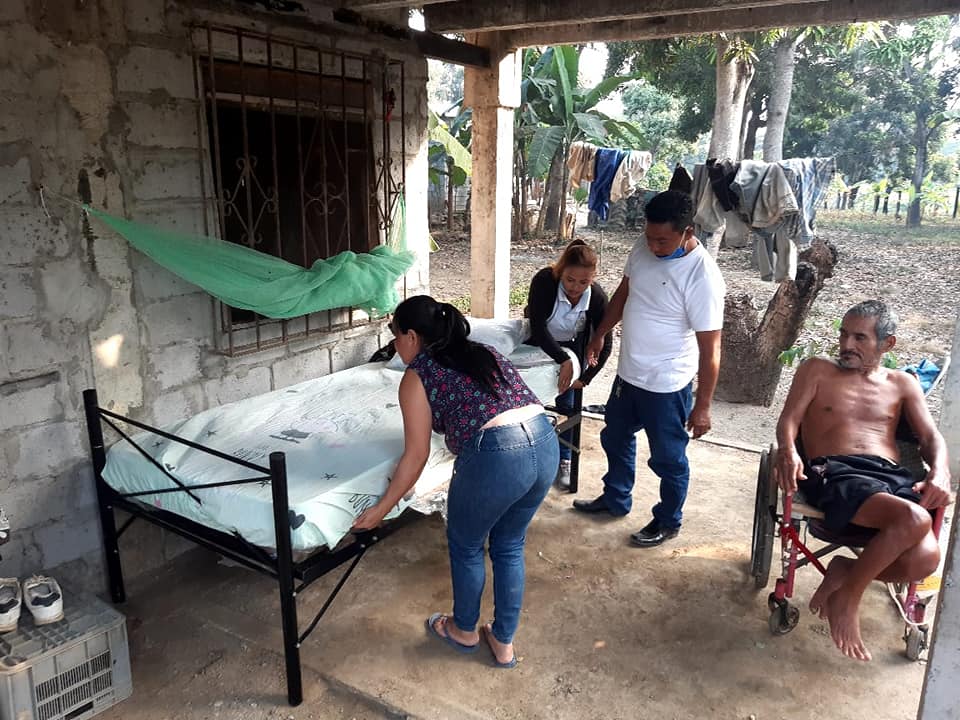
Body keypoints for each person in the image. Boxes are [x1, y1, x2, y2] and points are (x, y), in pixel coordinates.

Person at [352, 295, 559, 668]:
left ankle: (463, 630)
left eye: (395, 335)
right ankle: (503, 641)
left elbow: (416, 455)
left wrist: (381, 509)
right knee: (509, 545)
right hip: (544, 441)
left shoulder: (418, 375)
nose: (395, 345)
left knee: (467, 546)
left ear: (411, 336)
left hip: (497, 455)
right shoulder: (481, 352)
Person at [773, 300, 953, 661]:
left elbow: (930, 437)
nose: (846, 345)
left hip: (889, 478)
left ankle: (847, 571)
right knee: (914, 518)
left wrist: (941, 471)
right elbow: (788, 421)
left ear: (888, 344)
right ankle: (849, 598)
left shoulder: (902, 383)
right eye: (843, 334)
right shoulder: (817, 370)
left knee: (926, 560)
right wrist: (788, 450)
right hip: (836, 472)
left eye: (859, 338)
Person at [574, 190, 726, 549]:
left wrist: (703, 405)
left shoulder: (702, 276)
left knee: (668, 458)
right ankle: (616, 497)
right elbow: (625, 293)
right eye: (649, 237)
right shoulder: (643, 248)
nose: (654, 246)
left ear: (688, 232)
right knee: (615, 436)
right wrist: (600, 333)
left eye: (663, 241)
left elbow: (711, 349)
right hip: (630, 374)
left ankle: (668, 520)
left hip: (667, 383)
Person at [524, 239, 613, 489]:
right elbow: (538, 328)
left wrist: (584, 379)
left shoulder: (597, 297)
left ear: (593, 279)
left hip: (573, 346)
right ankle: (530, 456)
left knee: (567, 404)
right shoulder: (545, 281)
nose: (575, 287)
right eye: (570, 280)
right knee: (530, 401)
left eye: (583, 282)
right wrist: (561, 359)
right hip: (539, 343)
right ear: (560, 272)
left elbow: (605, 343)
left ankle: (564, 459)